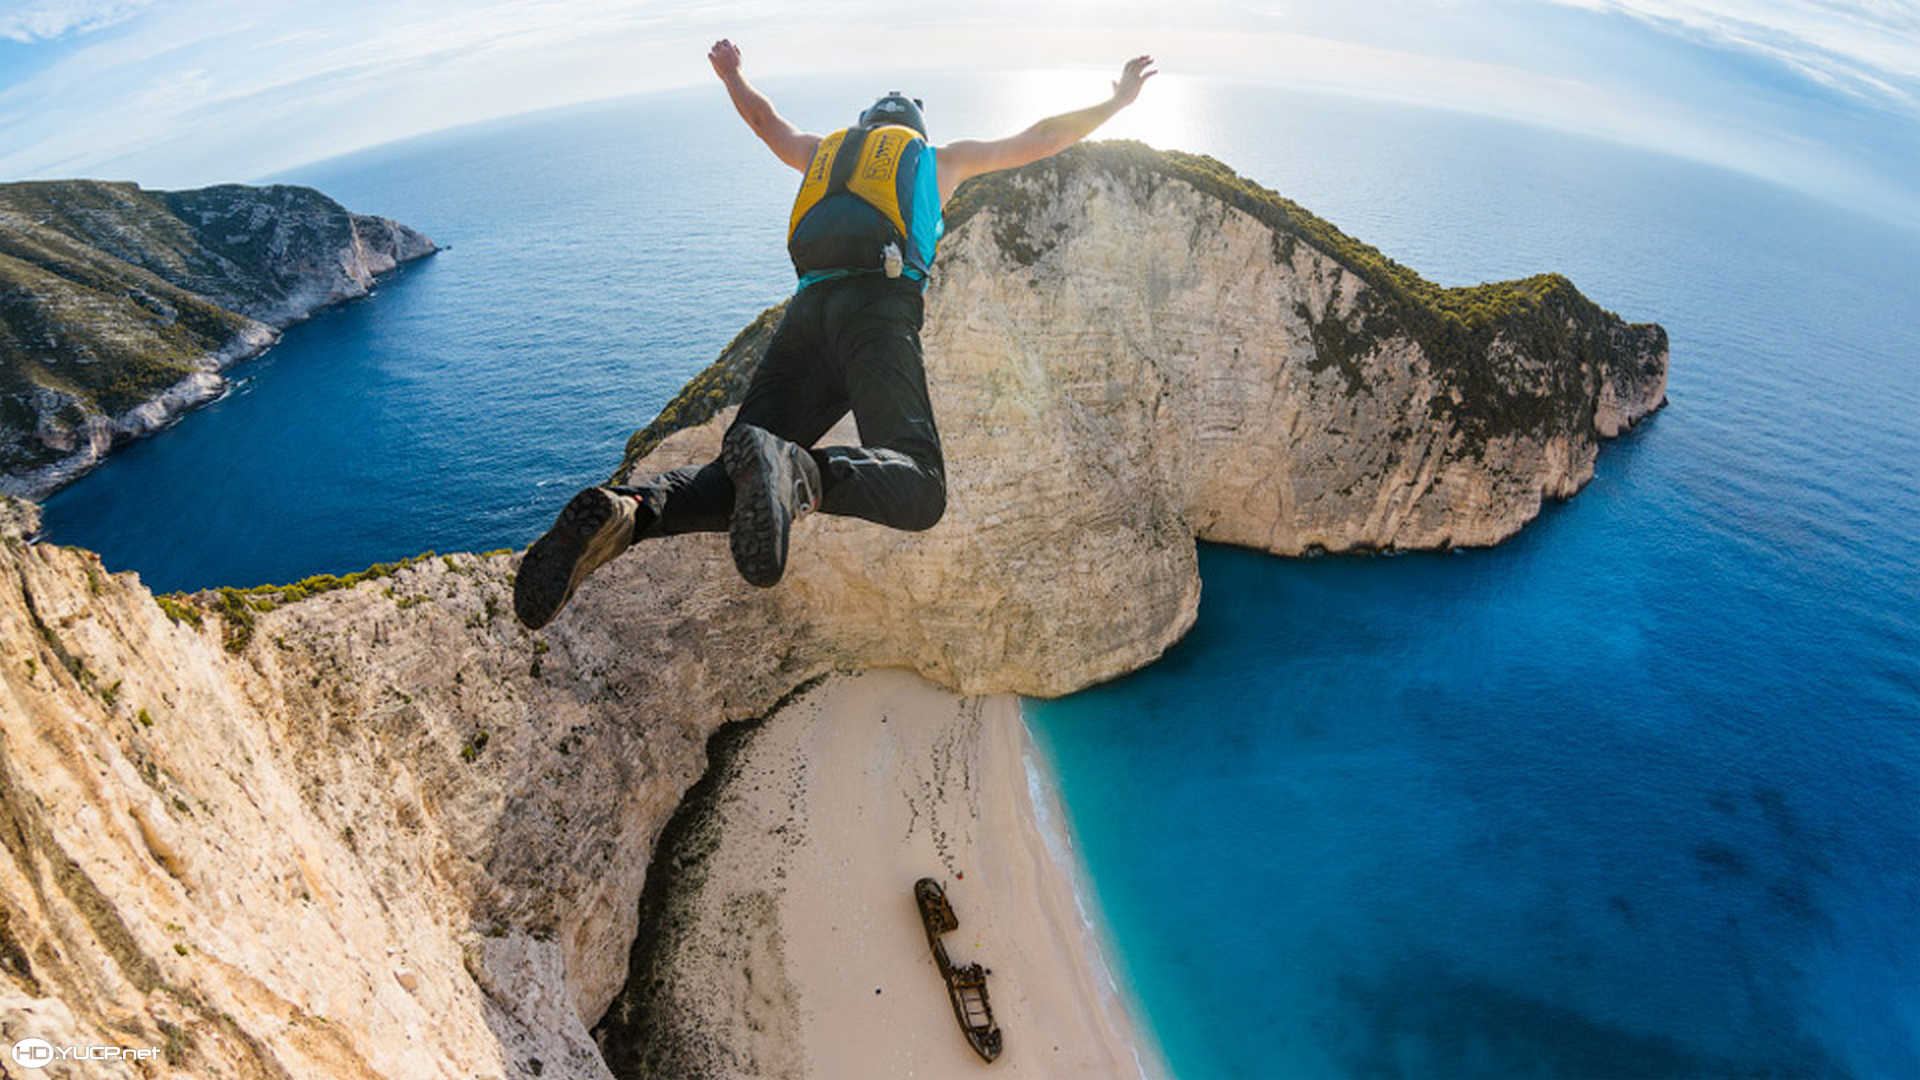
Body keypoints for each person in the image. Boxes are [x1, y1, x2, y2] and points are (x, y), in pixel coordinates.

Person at [514, 40, 1156, 630]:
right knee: (920, 488)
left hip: (806, 316)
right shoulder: (937, 161)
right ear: (913, 131)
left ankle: (629, 511)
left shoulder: (823, 153)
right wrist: (1117, 103)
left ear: (865, 125)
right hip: (877, 313)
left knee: (731, 483)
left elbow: (765, 122)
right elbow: (1040, 138)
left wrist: (732, 75)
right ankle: (795, 472)